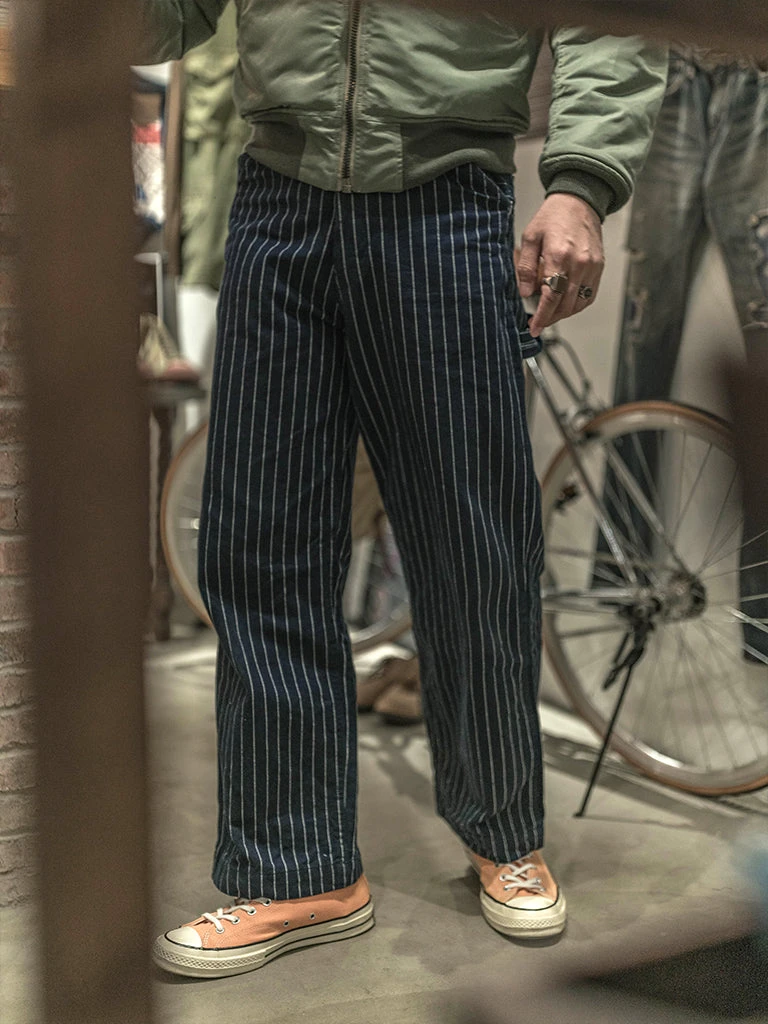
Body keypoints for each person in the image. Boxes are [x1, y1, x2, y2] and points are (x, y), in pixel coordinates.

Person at [138, 2, 666, 978]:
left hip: (445, 198)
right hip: (276, 195)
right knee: (261, 545)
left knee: (472, 544)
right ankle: (295, 868)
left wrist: (582, 183)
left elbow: (611, 20)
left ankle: (504, 829)